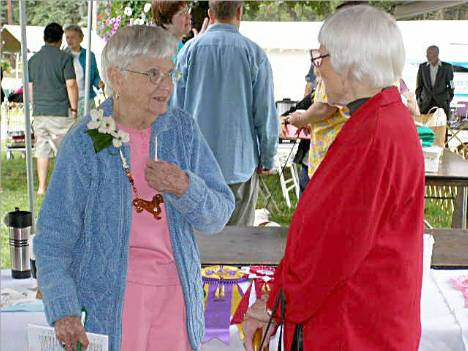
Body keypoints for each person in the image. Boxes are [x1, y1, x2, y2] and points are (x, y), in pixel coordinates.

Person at [34, 25, 234, 351]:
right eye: (153, 74)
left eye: (170, 73)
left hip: (177, 295)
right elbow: (54, 237)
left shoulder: (181, 130)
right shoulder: (87, 140)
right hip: (112, 305)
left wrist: (185, 187)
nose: (166, 86)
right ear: (117, 77)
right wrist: (63, 309)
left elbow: (219, 214)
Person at [243, 5, 425, 351]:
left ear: (350, 61)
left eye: (322, 55)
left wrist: (279, 303)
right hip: (364, 315)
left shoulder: (373, 134)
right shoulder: (382, 118)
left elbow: (333, 249)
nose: (319, 67)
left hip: (351, 323)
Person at [171, 0, 279, 226]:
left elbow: (174, 110)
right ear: (240, 12)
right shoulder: (254, 54)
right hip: (239, 163)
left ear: (210, 14)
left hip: (196, 164)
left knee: (198, 241)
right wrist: (267, 157)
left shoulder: (189, 51)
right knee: (238, 245)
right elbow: (265, 113)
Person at [28, 22, 78, 195]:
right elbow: (71, 84)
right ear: (60, 39)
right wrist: (74, 108)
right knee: (65, 149)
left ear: (44, 38)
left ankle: (42, 187)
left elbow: (30, 87)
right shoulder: (64, 58)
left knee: (42, 149)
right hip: (59, 111)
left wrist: (35, 106)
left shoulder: (33, 60)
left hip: (40, 111)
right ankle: (64, 186)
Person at [64, 24, 105, 118]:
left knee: (90, 127)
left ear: (81, 38)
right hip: (69, 100)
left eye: (73, 37)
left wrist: (99, 83)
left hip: (87, 98)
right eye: (67, 37)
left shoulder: (89, 55)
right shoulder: (63, 56)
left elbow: (95, 75)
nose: (70, 40)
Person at [416, 45, 455, 120]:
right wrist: (419, 99)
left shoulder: (447, 67)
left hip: (442, 103)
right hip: (425, 103)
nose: (426, 55)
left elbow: (451, 84)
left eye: (429, 53)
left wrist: (449, 98)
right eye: (427, 53)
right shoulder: (422, 67)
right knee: (425, 129)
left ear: (436, 54)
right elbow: (419, 85)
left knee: (442, 128)